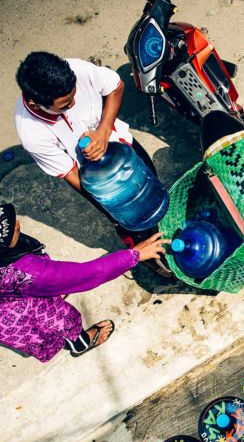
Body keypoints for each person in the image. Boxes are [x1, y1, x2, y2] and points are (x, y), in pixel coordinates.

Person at [0, 202, 166, 361]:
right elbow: (86, 275)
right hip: (14, 314)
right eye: (12, 231)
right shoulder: (24, 273)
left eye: (12, 221)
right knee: (60, 323)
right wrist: (134, 255)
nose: (19, 225)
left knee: (50, 300)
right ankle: (80, 344)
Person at [13, 51, 171, 276]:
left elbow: (115, 87)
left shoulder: (77, 70)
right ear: (34, 103)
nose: (73, 103)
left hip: (124, 147)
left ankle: (165, 228)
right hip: (95, 179)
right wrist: (108, 201)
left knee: (152, 186)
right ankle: (143, 254)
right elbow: (70, 173)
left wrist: (104, 130)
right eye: (65, 105)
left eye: (74, 95)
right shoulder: (32, 133)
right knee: (129, 220)